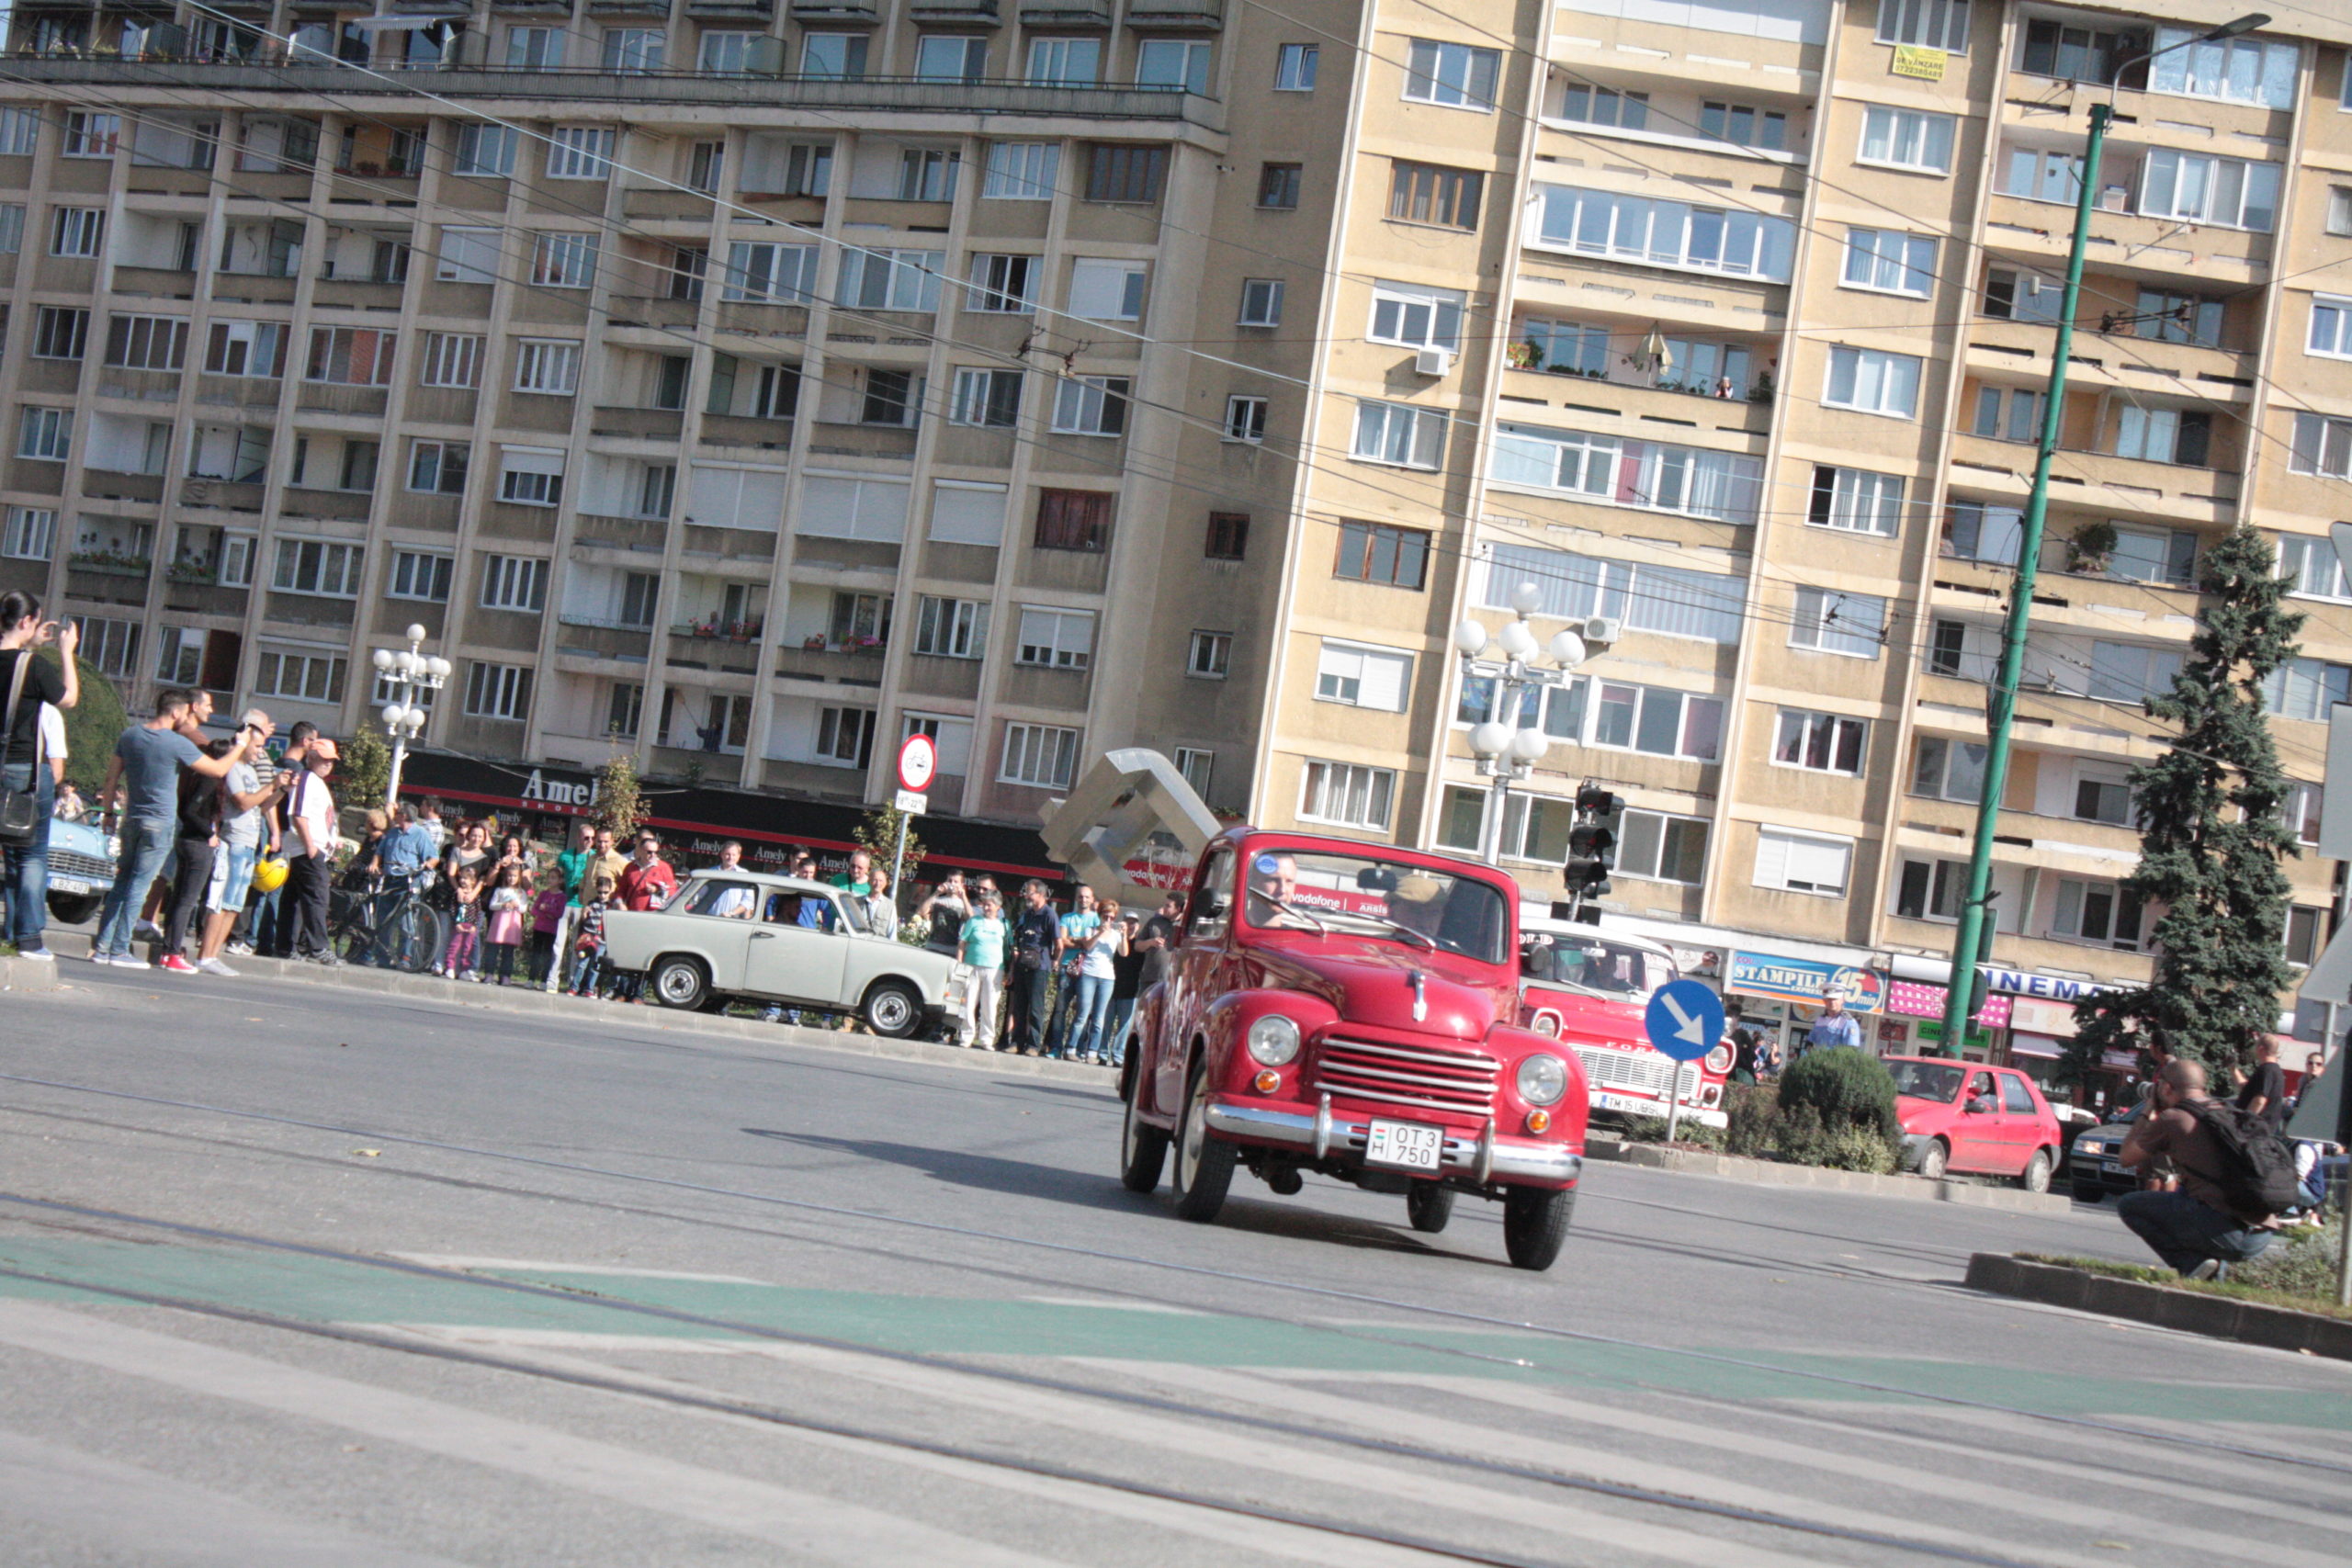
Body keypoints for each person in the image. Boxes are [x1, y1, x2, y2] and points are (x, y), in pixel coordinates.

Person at [90, 690, 239, 967]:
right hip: (159, 823)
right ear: (175, 712)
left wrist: (108, 812)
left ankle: (102, 947)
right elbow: (217, 770)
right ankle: (119, 949)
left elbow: (111, 778)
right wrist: (240, 747)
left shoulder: (130, 735)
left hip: (132, 819)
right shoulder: (175, 742)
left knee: (122, 883)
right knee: (139, 885)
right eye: (185, 713)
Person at [2116, 1058, 2280, 1280]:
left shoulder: (2174, 1118)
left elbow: (2126, 1158)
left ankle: (2191, 1264)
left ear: (2166, 1088)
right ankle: (2210, 1279)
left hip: (2227, 1233)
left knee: (2130, 1205)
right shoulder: (2229, 1112)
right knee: (2190, 1196)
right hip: (2261, 1233)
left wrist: (2148, 1109)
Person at [0, 593, 77, 960]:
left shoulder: (21, 660)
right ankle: (28, 938)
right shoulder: (33, 666)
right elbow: (68, 698)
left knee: (13, 855)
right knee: (30, 855)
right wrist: (65, 652)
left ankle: (12, 932)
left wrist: (30, 644)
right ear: (26, 621)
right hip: (23, 771)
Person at [156, 737, 236, 975]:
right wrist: (210, 833)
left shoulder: (197, 777)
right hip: (198, 844)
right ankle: (172, 952)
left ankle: (169, 950)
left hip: (187, 841)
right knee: (187, 901)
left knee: (179, 898)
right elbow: (190, 811)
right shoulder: (210, 779)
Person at [277, 737, 341, 964]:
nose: (328, 764)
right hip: (307, 849)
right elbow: (299, 814)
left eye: (331, 760)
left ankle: (286, 946)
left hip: (311, 848)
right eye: (324, 759)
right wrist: (311, 846)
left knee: (294, 900)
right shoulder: (306, 779)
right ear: (311, 757)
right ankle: (319, 947)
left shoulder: (316, 782)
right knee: (317, 898)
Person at [1066, 897, 1125, 1065]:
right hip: (1089, 974)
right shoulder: (1090, 930)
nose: (1108, 920)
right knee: (1082, 1014)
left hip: (1107, 977)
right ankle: (1071, 1048)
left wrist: (1124, 934)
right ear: (1100, 915)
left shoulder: (1116, 935)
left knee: (1099, 1017)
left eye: (1112, 917)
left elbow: (1124, 953)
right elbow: (1088, 946)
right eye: (1106, 916)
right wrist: (1100, 932)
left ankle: (1092, 1051)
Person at [1046, 884, 1102, 1058]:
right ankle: (1056, 1047)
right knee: (1060, 1009)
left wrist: (1075, 940)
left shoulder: (1096, 919)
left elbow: (1092, 944)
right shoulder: (1067, 917)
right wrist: (1081, 941)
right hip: (1067, 965)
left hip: (1087, 968)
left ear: (1092, 899)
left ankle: (1076, 1048)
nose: (1083, 900)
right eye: (1081, 896)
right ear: (1077, 898)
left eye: (1087, 897)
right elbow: (1062, 941)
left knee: (1082, 1011)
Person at [1008, 880, 1059, 1055]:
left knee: (1036, 1008)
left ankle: (1033, 1045)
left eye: (1029, 893)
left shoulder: (1049, 914)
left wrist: (1054, 961)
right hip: (1023, 962)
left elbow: (1058, 944)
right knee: (1019, 1006)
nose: (1026, 896)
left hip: (1040, 966)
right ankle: (1017, 1042)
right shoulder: (1028, 914)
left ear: (1041, 894)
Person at [959, 891, 1011, 1050]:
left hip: (994, 969)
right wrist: (959, 963)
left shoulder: (1004, 925)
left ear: (998, 907)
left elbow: (1008, 948)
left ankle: (987, 1039)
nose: (986, 908)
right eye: (984, 905)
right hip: (972, 966)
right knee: (968, 1003)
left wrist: (1010, 970)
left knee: (990, 1006)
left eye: (989, 905)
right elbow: (962, 942)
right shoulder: (973, 921)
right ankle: (966, 1036)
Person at [1104, 910, 1146, 1069]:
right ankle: (1102, 1053)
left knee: (1125, 1026)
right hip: (1111, 986)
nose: (1130, 925)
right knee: (1106, 1023)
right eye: (1128, 922)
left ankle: (1118, 1056)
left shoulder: (1140, 944)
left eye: (1133, 923)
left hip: (1130, 989)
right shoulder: (1115, 939)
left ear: (1138, 926)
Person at [484, 863, 528, 984]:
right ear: (505, 876)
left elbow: (524, 908)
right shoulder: (500, 890)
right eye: (509, 876)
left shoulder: (521, 893)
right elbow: (492, 905)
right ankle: (489, 973)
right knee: (493, 950)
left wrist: (517, 904)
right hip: (499, 923)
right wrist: (503, 905)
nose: (511, 878)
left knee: (508, 951)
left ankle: (505, 975)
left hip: (511, 924)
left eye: (514, 876)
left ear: (519, 877)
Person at [443, 865, 484, 980]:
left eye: (466, 879)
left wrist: (474, 925)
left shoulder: (476, 897)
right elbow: (453, 909)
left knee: (467, 948)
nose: (462, 881)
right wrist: (457, 923)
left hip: (470, 926)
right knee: (454, 946)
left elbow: (478, 912)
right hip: (459, 925)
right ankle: (450, 967)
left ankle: (464, 970)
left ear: (473, 881)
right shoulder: (457, 895)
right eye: (461, 878)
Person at [2236, 1037, 2288, 1131]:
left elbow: (2260, 1100)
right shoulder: (2274, 1070)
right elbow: (2246, 1088)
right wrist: (2233, 1069)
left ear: (2261, 1049)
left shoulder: (2267, 1070)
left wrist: (2244, 1121)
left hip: (2255, 1130)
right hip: (2262, 1128)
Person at [918, 871, 972, 955]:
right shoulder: (937, 900)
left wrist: (964, 897)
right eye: (950, 881)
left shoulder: (963, 904)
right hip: (933, 945)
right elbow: (921, 912)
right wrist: (936, 893)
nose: (952, 884)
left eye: (956, 882)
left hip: (952, 948)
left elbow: (971, 918)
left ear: (961, 885)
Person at [526, 879, 569, 985]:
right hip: (539, 927)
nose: (550, 879)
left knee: (547, 954)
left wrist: (546, 909)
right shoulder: (543, 894)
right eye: (549, 877)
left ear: (559, 880)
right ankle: (531, 979)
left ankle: (543, 981)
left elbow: (559, 914)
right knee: (536, 953)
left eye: (554, 877)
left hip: (551, 930)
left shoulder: (562, 897)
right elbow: (535, 910)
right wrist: (546, 913)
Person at [707, 840, 758, 918]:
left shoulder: (744, 874)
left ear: (738, 856)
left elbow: (748, 900)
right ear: (722, 855)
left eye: (734, 855)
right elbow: (700, 896)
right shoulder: (711, 872)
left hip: (731, 920)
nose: (731, 857)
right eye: (727, 854)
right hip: (709, 918)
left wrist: (731, 913)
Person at [1804, 988, 1864, 1054]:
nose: (1832, 1002)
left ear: (1842, 1000)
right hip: (1819, 1058)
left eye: (1835, 999)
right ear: (1824, 1001)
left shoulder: (1848, 1022)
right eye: (1829, 999)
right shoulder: (1820, 1020)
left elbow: (1851, 1049)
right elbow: (1810, 1043)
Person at [864, 865, 899, 941]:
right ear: (869, 882)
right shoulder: (858, 902)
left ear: (885, 883)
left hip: (878, 944)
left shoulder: (890, 905)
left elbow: (892, 931)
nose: (877, 883)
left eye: (881, 881)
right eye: (874, 880)